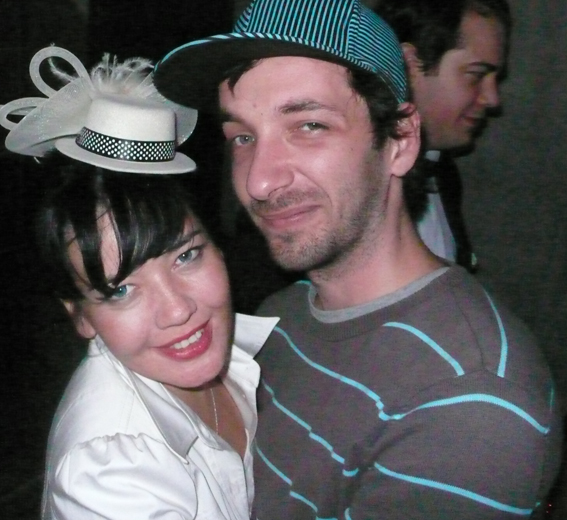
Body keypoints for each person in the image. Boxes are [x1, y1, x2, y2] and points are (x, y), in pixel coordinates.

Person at [153, 0, 562, 518]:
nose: (258, 180)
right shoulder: (283, 314)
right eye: (243, 137)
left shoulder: (472, 401)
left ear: (400, 141)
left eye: (309, 126)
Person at [0, 46, 278, 519]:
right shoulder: (108, 474)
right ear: (81, 316)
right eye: (121, 290)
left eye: (186, 256)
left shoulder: (250, 355)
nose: (177, 310)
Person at [375, 0, 511, 272]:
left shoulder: (444, 174)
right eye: (476, 75)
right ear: (410, 65)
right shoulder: (349, 184)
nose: (492, 99)